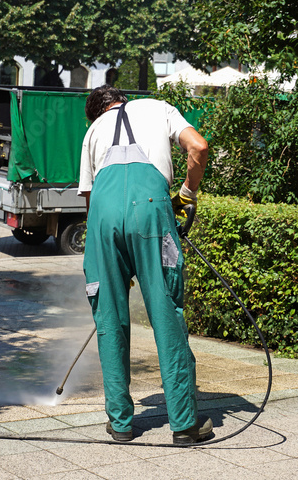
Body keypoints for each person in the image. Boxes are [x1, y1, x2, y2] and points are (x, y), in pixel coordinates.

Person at [78, 84, 212, 444]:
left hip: (103, 221)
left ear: (98, 113)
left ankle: (120, 424)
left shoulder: (93, 132)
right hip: (152, 209)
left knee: (109, 317)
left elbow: (91, 205)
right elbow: (198, 147)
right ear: (122, 100)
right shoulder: (157, 107)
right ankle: (184, 424)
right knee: (166, 313)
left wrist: (116, 262)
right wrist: (187, 193)